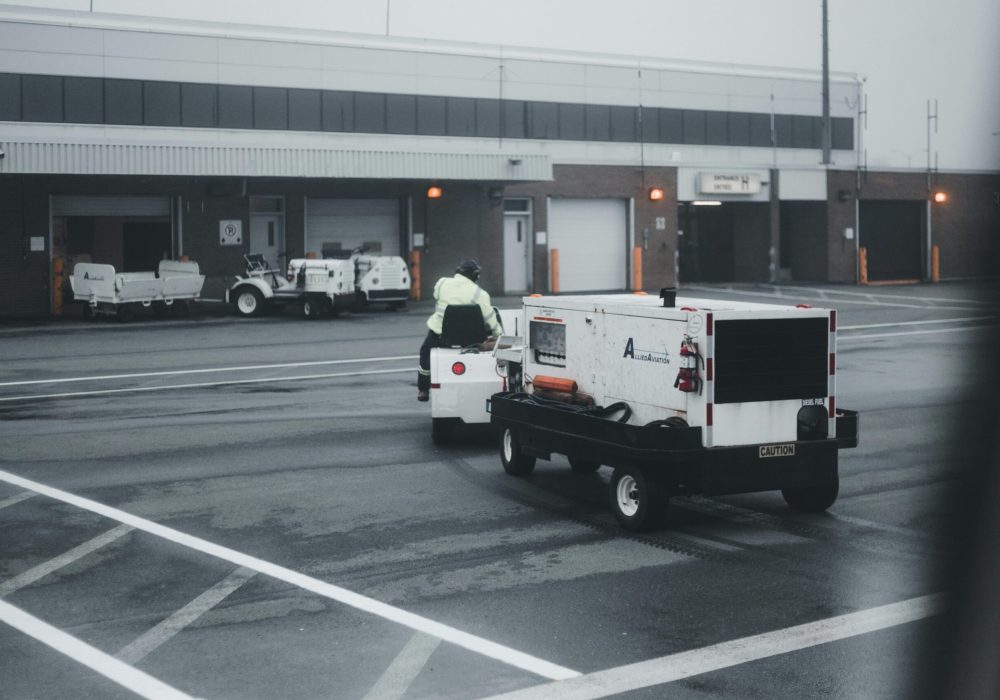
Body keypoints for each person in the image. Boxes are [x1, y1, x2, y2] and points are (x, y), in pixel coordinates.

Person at [417, 259, 502, 401]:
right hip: (469, 340)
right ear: (476, 276)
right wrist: (498, 335)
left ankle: (423, 390)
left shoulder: (442, 283)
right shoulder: (480, 294)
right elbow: (491, 320)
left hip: (440, 337)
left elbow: (436, 296)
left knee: (425, 353)